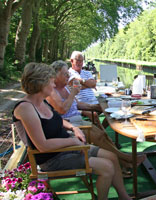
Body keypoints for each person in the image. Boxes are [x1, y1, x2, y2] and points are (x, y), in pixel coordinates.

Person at [13, 62, 131, 200]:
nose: (53, 85)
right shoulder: (25, 108)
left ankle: (124, 197)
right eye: (51, 82)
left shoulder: (41, 102)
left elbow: (57, 119)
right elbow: (42, 145)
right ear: (41, 83)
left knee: (112, 156)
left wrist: (73, 128)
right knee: (107, 167)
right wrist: (72, 141)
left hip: (68, 148)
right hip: (53, 158)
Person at [46, 60, 145, 175]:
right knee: (99, 137)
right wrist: (73, 93)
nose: (68, 76)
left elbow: (77, 104)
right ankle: (126, 158)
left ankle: (123, 163)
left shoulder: (66, 88)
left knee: (103, 135)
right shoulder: (52, 91)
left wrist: (97, 107)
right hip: (68, 125)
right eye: (65, 74)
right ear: (55, 75)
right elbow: (62, 109)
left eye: (68, 73)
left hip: (77, 120)